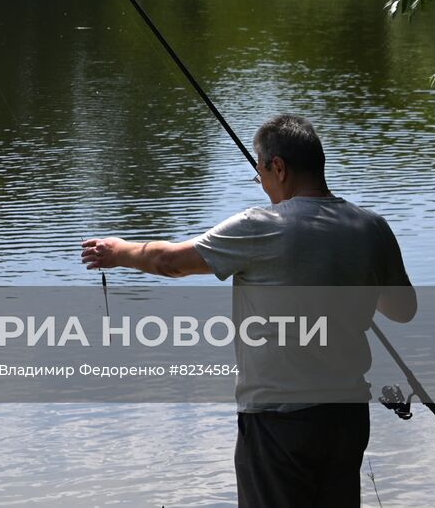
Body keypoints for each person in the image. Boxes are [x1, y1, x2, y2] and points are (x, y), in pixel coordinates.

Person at [80, 113, 416, 508]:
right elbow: (402, 308)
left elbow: (170, 262)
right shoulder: (371, 226)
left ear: (279, 167)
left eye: (261, 174)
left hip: (279, 420)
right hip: (347, 417)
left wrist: (118, 251)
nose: (262, 185)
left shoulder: (261, 226)